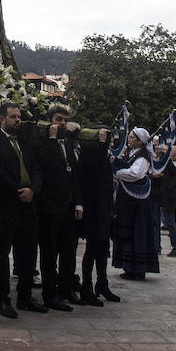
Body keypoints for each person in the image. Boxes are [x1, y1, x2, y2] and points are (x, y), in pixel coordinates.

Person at [0, 102, 46, 316]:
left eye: (19, 116)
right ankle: (3, 299)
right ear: (2, 119)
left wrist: (33, 190)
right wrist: (17, 191)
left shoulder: (24, 141)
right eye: (13, 117)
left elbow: (36, 169)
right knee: (2, 255)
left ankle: (25, 296)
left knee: (27, 254)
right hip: (7, 206)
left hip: (28, 205)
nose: (17, 120)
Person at [35, 105, 83, 311]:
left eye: (64, 120)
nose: (62, 123)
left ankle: (66, 289)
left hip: (68, 207)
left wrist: (79, 202)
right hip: (50, 207)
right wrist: (53, 139)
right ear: (50, 121)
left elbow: (75, 175)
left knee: (69, 251)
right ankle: (50, 293)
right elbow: (48, 165)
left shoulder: (69, 143)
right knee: (49, 253)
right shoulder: (44, 142)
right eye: (58, 119)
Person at [111, 128, 160, 280]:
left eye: (132, 137)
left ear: (140, 141)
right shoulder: (132, 154)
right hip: (128, 202)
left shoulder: (143, 157)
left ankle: (138, 269)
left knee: (137, 232)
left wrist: (117, 173)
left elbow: (135, 173)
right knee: (128, 232)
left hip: (137, 204)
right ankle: (129, 266)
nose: (130, 139)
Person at [77, 126, 118, 305]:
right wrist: (102, 145)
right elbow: (96, 170)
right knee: (92, 249)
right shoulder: (88, 156)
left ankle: (102, 283)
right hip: (93, 210)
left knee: (103, 250)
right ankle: (86, 287)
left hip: (103, 209)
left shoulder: (102, 155)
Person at [154, 143, 176, 257]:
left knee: (170, 223)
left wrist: (170, 188)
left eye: (158, 144)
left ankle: (175, 247)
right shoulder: (149, 157)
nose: (157, 147)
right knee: (155, 222)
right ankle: (156, 247)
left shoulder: (165, 160)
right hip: (155, 195)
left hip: (167, 196)